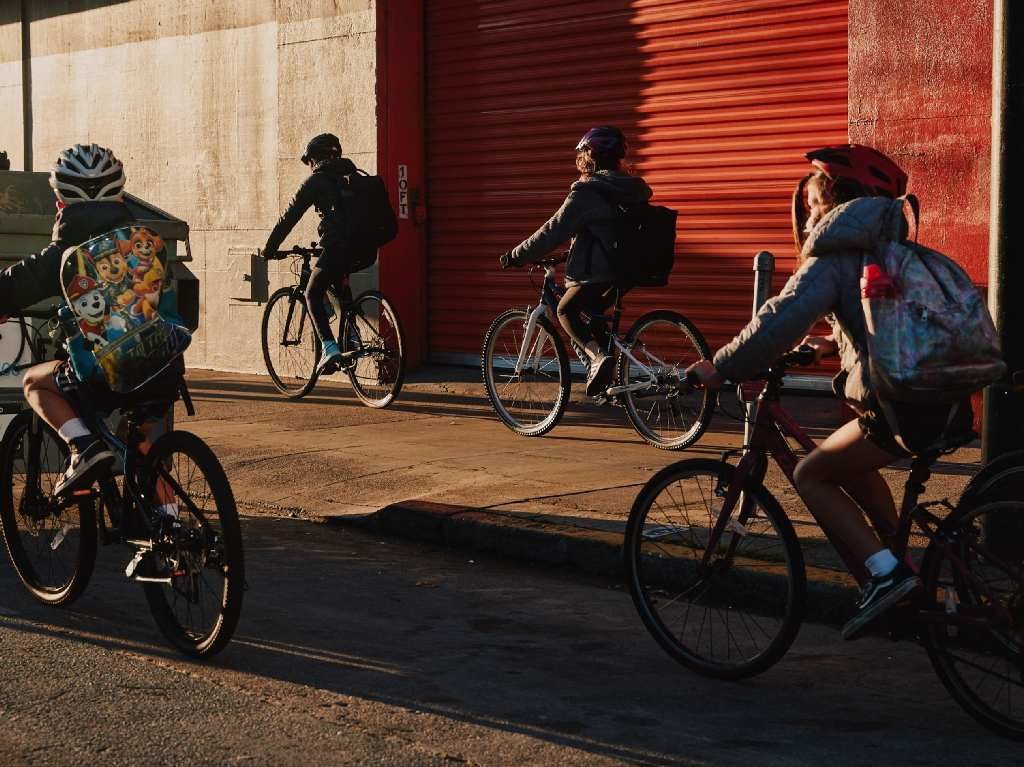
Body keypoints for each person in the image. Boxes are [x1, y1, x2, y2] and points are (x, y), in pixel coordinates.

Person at [686, 144, 973, 640]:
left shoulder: (836, 253)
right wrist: (827, 344)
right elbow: (884, 325)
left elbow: (777, 322)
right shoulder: (899, 250)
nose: (809, 213)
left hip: (899, 413)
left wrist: (719, 366)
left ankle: (887, 576)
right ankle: (902, 559)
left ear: (838, 202)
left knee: (810, 473)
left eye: (815, 202)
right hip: (944, 404)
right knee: (852, 466)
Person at [2, 144, 188, 499]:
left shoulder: (64, 256)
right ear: (120, 195)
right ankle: (172, 530)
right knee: (148, 447)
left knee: (33, 382)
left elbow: (12, 287)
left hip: (103, 376)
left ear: (60, 202)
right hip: (162, 365)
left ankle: (84, 448)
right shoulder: (144, 243)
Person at [498, 126, 653, 396]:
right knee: (593, 317)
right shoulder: (630, 188)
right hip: (630, 268)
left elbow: (552, 230)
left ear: (590, 155)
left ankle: (597, 359)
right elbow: (607, 231)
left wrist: (517, 255)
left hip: (600, 272)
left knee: (565, 310)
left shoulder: (587, 191)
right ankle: (613, 384)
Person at [261, 132, 359, 376]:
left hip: (337, 245)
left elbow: (289, 217)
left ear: (316, 159)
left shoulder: (317, 181)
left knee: (312, 293)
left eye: (311, 161)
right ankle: (353, 338)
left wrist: (270, 247)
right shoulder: (354, 176)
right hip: (363, 247)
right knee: (340, 287)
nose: (311, 166)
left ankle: (329, 348)